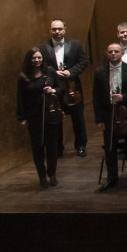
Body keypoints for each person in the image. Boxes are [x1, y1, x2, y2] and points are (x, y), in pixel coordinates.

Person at [93, 42, 127, 191]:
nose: (113, 54)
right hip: (108, 115)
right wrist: (98, 120)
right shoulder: (99, 73)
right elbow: (96, 97)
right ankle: (112, 178)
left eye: (116, 51)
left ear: (122, 53)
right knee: (110, 149)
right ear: (107, 54)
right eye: (110, 52)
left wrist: (124, 97)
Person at [39, 19, 90, 156]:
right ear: (50, 30)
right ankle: (58, 148)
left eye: (59, 29)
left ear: (64, 29)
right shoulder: (43, 48)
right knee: (56, 117)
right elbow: (41, 67)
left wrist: (70, 72)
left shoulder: (75, 45)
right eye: (54, 29)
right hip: (55, 88)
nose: (57, 32)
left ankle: (81, 145)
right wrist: (53, 73)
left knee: (78, 117)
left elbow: (83, 62)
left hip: (72, 87)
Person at [17, 48, 63, 188]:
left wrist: (52, 90)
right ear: (29, 60)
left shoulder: (49, 71)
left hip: (50, 113)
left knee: (52, 147)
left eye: (39, 58)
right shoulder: (24, 77)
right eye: (34, 58)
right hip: (34, 116)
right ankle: (42, 177)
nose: (37, 60)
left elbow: (60, 88)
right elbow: (20, 98)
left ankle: (52, 174)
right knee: (37, 148)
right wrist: (22, 117)